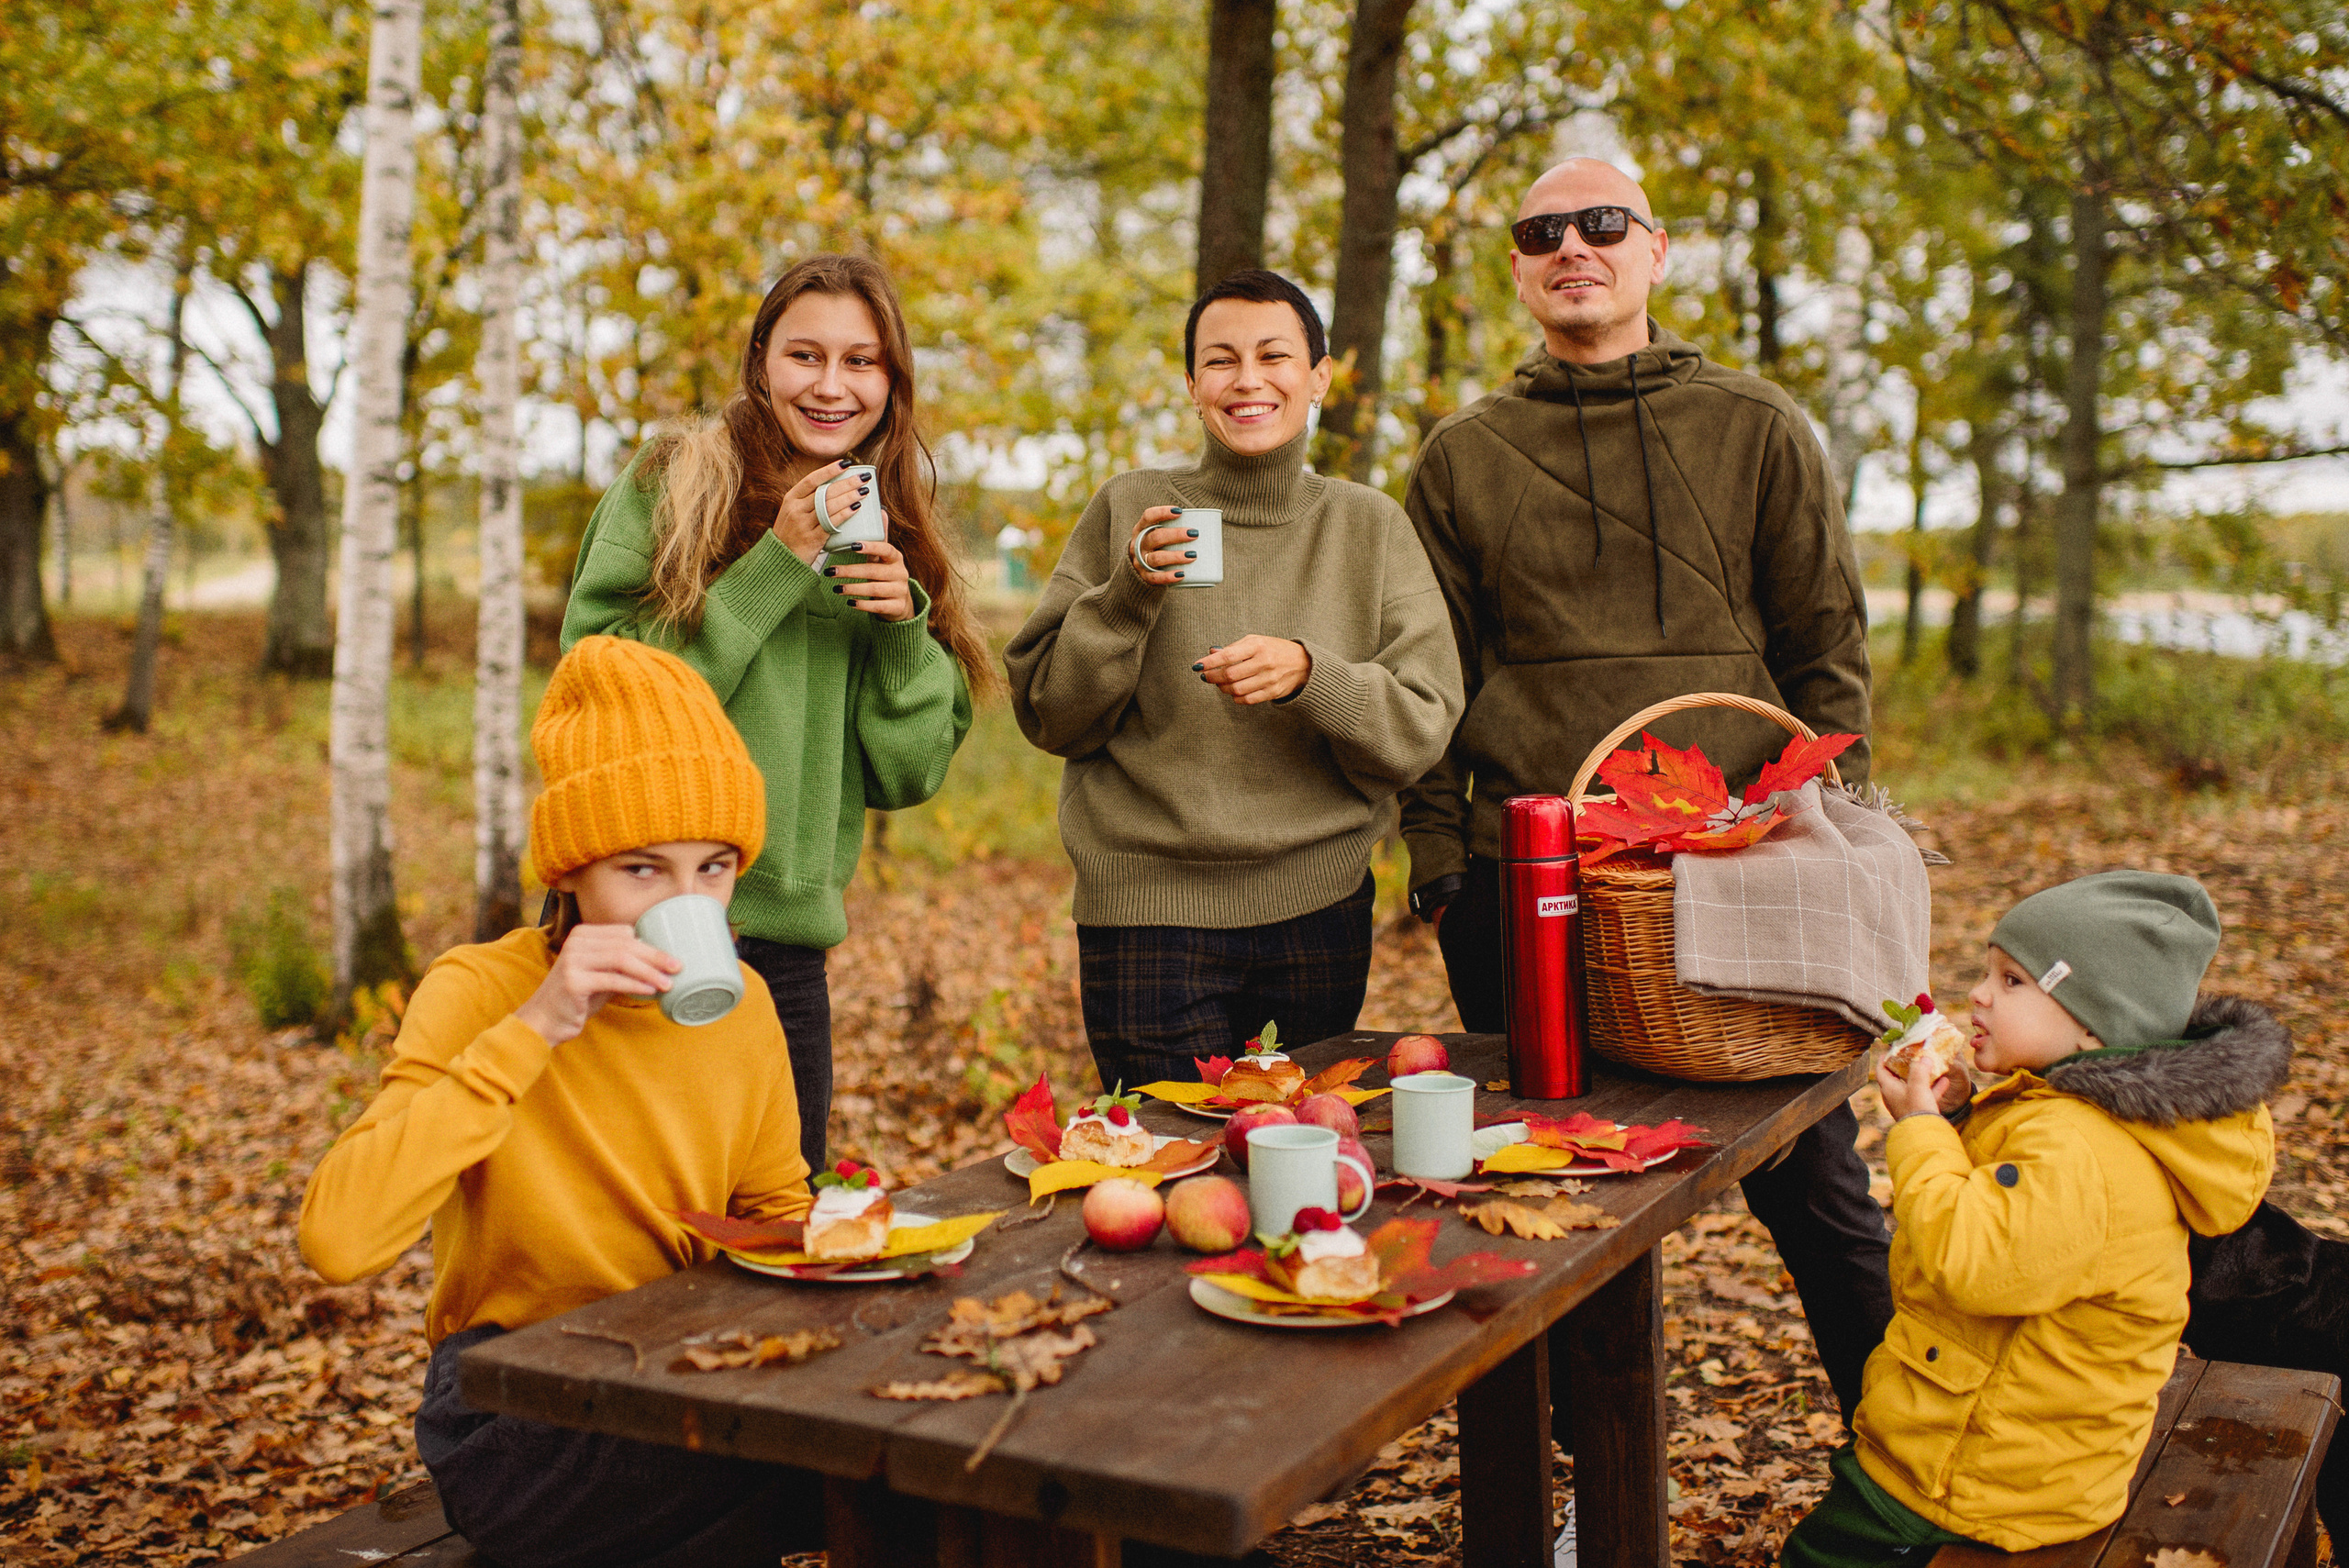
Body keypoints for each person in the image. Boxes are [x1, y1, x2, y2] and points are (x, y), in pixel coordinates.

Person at [1397, 156, 1890, 1422]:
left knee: (1816, 1183)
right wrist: (1444, 861)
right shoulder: (1464, 456)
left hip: (1741, 867)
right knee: (1548, 1203)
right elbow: (1431, 675)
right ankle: (1579, 1496)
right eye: (1543, 230)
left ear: (1656, 252)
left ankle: (1916, 1465)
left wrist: (1837, 835)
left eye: (1604, 222)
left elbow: (1824, 651)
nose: (1575, 244)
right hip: (1536, 880)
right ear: (1518, 267)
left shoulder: (1758, 425)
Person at [299, 636, 818, 1568]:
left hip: (682, 1369)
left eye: (713, 866)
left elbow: (776, 1215)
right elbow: (338, 1238)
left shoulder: (744, 1009)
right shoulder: (481, 992)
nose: (689, 898)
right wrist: (538, 1024)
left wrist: (855, 1252)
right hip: (513, 1406)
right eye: (643, 869)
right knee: (827, 1475)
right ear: (570, 869)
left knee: (895, 1457)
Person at [562, 253, 988, 1173]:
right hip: (637, 929)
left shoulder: (893, 524)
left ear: (890, 379)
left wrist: (902, 634)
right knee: (634, 1225)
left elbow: (908, 774)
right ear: (761, 361)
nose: (831, 385)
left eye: (861, 361)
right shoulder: (671, 480)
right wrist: (772, 564)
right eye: (805, 355)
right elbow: (601, 688)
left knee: (779, 1222)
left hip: (786, 953)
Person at [1006, 269, 1464, 1087]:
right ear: (1191, 385)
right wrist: (1129, 593)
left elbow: (1425, 722)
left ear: (1318, 376)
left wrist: (1313, 676)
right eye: (1220, 361)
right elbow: (1050, 713)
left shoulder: (1367, 525)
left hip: (1317, 915)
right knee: (1170, 1177)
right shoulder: (1132, 507)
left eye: (1273, 355)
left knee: (1295, 1170)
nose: (1247, 379)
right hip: (1147, 917)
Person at [1780, 872, 2285, 1564]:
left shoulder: (2081, 1146)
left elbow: (1973, 1263)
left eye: (2014, 980)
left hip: (1981, 1476)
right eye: (1989, 970)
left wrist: (1923, 1127)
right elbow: (2015, 1220)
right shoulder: (2084, 1116)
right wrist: (1958, 1116)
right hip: (2030, 1446)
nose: (1981, 993)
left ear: (2092, 1022)